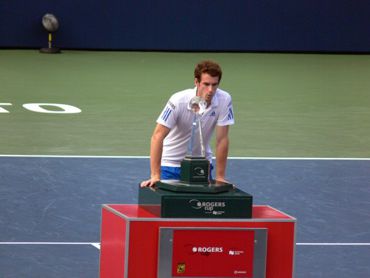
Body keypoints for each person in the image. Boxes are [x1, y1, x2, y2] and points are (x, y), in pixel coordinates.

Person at [140, 60, 234, 187]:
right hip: (170, 165)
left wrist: (220, 177)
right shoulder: (178, 100)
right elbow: (157, 136)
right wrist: (155, 175)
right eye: (206, 84)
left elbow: (222, 139)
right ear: (196, 82)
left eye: (214, 85)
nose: (210, 90)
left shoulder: (225, 99)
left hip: (201, 164)